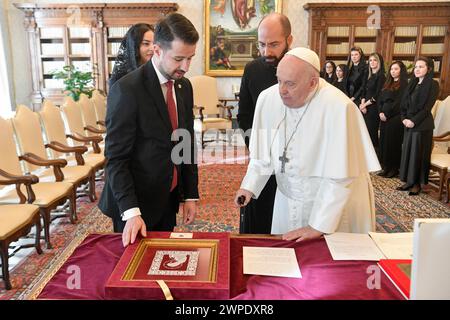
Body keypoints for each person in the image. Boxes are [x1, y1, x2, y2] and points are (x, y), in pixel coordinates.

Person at [234, 47, 380, 242]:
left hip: (332, 204)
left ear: (313, 82)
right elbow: (261, 154)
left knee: (328, 266)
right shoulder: (268, 99)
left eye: (290, 84)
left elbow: (341, 177)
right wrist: (249, 186)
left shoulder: (338, 107)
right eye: (279, 80)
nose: (281, 90)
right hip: (288, 199)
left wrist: (319, 225)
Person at [98, 13, 200, 247]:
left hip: (168, 195)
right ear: (157, 50)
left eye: (190, 58)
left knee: (162, 263)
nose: (185, 67)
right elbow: (116, 158)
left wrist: (190, 194)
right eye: (178, 58)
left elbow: (186, 143)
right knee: (135, 275)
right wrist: (132, 212)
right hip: (135, 203)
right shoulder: (127, 90)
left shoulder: (183, 86)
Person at [237, 13, 293, 234]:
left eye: (274, 44)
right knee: (258, 219)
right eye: (261, 45)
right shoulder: (252, 70)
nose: (267, 52)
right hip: (263, 159)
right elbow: (244, 116)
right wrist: (260, 149)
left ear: (290, 40)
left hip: (296, 164)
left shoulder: (304, 68)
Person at [397, 57, 439, 196]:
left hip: (422, 125)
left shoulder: (433, 84)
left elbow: (427, 108)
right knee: (408, 154)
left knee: (418, 155)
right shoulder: (412, 84)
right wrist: (404, 118)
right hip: (408, 123)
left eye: (421, 66)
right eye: (416, 67)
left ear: (429, 69)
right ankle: (409, 181)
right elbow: (403, 104)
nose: (417, 69)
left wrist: (413, 121)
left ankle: (417, 184)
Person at [378, 61, 408, 178]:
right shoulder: (387, 83)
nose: (393, 71)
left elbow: (399, 102)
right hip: (383, 117)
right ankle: (386, 167)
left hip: (395, 118)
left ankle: (394, 168)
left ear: (401, 70)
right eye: (391, 69)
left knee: (393, 143)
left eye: (396, 69)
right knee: (384, 142)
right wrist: (380, 111)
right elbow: (380, 99)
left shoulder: (404, 84)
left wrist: (387, 113)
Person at [358, 52, 386, 152]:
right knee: (363, 134)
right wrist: (362, 104)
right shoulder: (368, 75)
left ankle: (374, 159)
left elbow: (377, 95)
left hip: (373, 108)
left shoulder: (381, 76)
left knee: (371, 133)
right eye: (370, 60)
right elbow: (364, 91)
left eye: (375, 60)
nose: (372, 62)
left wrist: (364, 105)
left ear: (379, 62)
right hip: (364, 107)